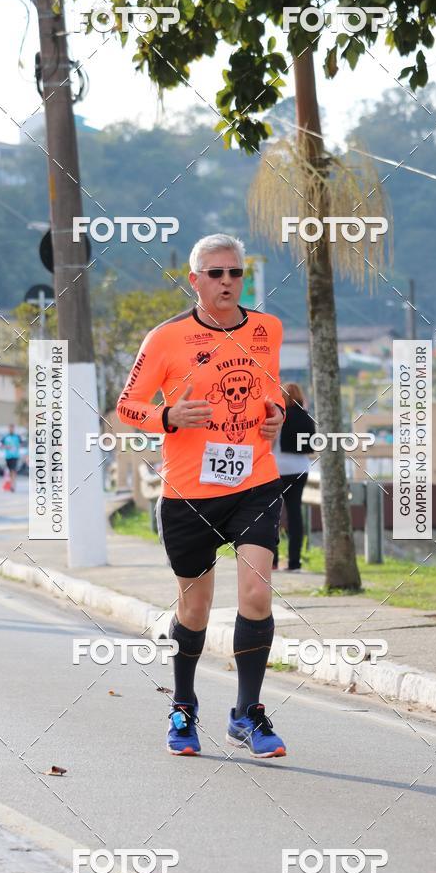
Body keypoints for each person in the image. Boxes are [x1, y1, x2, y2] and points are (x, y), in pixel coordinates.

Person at [117, 233, 287, 758]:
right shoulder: (165, 339)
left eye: (235, 273)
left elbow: (270, 387)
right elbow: (127, 407)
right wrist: (167, 416)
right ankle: (185, 704)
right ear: (195, 280)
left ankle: (247, 712)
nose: (227, 282)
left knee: (256, 594)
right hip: (188, 494)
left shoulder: (267, 329)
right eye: (215, 273)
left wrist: (276, 412)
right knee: (195, 609)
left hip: (253, 482)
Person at [272, 382, 316, 572]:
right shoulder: (306, 418)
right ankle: (294, 562)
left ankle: (272, 562)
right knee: (295, 514)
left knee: (272, 515)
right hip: (300, 470)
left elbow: (270, 443)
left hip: (276, 471)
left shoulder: (279, 416)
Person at [1, 423, 21, 492]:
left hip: (15, 456)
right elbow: (1, 445)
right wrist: (6, 447)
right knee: (10, 471)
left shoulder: (17, 436)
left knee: (13, 471)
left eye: (12, 428)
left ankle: (13, 486)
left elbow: (21, 444)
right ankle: (11, 484)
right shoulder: (5, 437)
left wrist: (17, 447)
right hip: (8, 456)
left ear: (14, 429)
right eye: (10, 428)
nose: (11, 429)